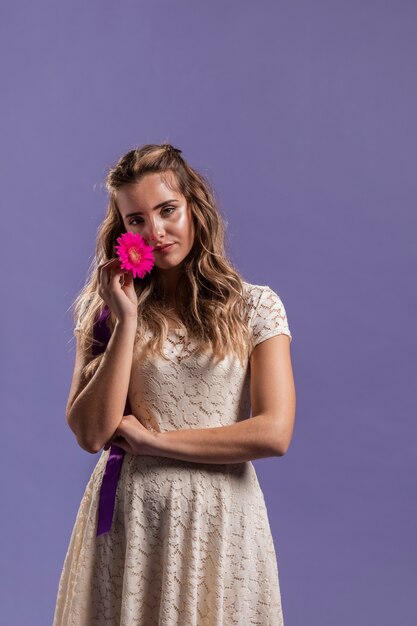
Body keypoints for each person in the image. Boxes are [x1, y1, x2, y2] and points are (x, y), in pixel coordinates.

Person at [53, 142, 296, 626]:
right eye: (136, 219)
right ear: (122, 230)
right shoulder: (104, 312)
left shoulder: (256, 307)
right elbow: (90, 434)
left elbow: (274, 433)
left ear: (194, 208)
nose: (156, 231)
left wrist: (155, 441)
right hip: (132, 520)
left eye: (167, 210)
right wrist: (125, 321)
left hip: (221, 520)